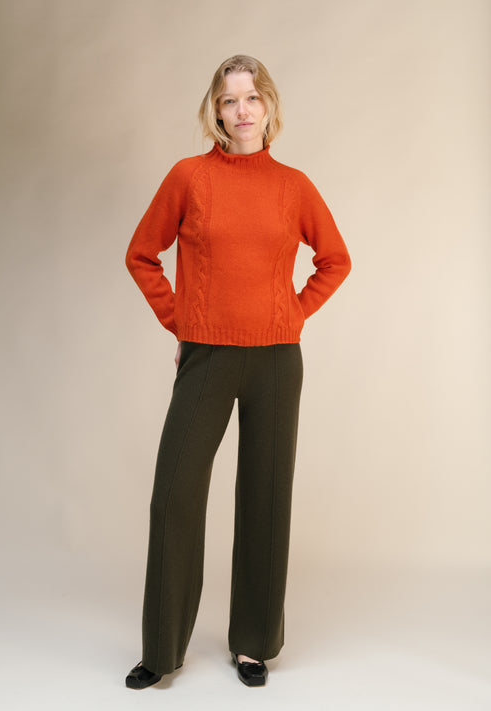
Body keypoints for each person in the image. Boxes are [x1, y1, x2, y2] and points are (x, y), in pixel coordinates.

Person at [124, 54, 351, 689]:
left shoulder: (293, 186)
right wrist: (181, 320)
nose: (242, 110)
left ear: (269, 106)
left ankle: (253, 644)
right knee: (175, 494)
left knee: (266, 497)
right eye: (229, 100)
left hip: (277, 360)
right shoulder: (189, 177)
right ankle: (161, 652)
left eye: (252, 97)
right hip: (207, 355)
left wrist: (293, 312)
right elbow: (142, 254)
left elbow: (335, 260)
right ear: (216, 111)